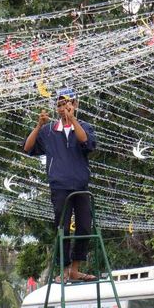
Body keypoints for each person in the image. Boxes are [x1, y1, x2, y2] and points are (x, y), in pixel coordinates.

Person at [23, 87, 97, 283]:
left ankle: (75, 269)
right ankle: (63, 270)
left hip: (80, 185)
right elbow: (28, 147)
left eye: (67, 103)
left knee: (84, 226)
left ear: (76, 105)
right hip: (59, 186)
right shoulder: (49, 130)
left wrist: (72, 120)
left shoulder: (83, 126)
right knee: (62, 227)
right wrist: (38, 125)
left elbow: (86, 142)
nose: (64, 107)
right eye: (60, 104)